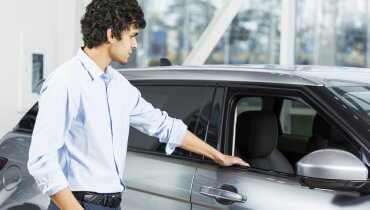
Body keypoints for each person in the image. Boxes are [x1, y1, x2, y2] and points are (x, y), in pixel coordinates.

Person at [27, 0, 248, 210]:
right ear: (111, 34)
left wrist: (218, 156)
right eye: (132, 36)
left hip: (111, 203)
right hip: (77, 204)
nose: (135, 44)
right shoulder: (66, 81)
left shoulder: (118, 85)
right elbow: (42, 162)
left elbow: (164, 125)